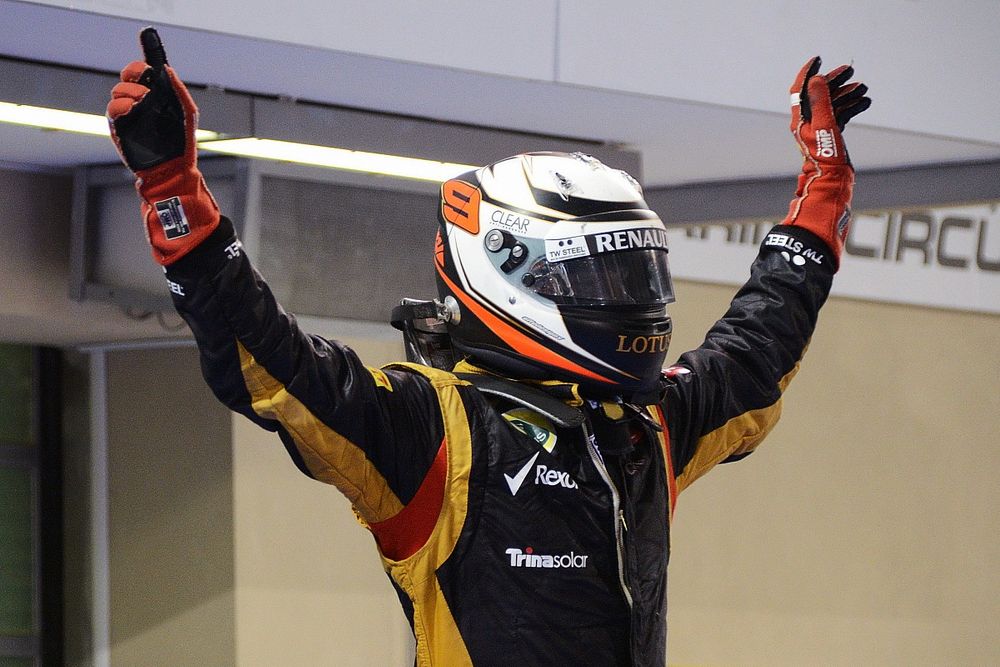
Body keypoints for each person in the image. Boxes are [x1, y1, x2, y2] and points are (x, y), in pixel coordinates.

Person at [106, 27, 870, 666]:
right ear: (510, 268)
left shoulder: (643, 425)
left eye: (635, 269)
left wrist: (824, 185)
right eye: (603, 273)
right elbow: (274, 367)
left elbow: (757, 347)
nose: (630, 294)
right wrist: (174, 190)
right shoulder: (430, 428)